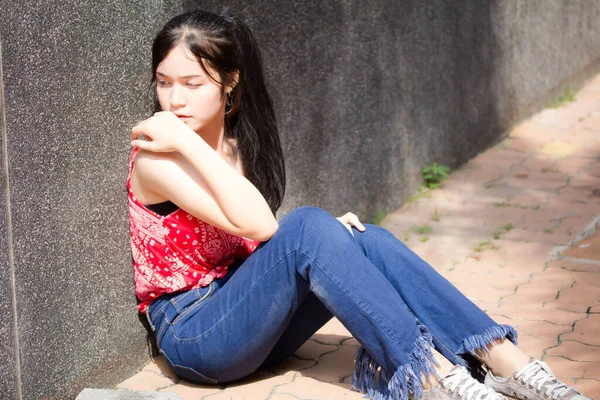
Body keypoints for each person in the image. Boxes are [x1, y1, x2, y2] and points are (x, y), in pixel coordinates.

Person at [127, 9, 590, 400]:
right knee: (308, 228)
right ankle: (431, 377)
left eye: (191, 82)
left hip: (245, 314)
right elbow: (263, 225)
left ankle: (507, 363)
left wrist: (331, 240)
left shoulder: (234, 143)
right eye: (164, 82)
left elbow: (254, 232)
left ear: (230, 83)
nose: (175, 99)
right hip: (197, 334)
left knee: (363, 239)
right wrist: (188, 146)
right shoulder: (158, 159)